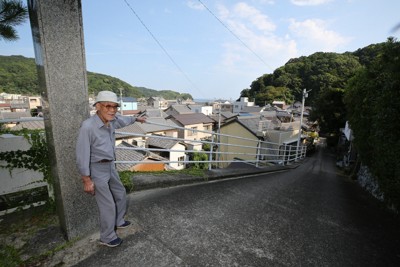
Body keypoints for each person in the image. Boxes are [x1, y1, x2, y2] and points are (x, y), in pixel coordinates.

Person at [76, 90, 146, 247]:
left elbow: (125, 120)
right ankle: (107, 236)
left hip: (110, 165)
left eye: (115, 106)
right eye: (108, 106)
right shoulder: (88, 127)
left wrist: (137, 119)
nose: (112, 110)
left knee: (120, 192)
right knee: (107, 203)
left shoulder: (113, 120)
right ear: (98, 107)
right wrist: (86, 179)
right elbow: (81, 154)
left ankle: (119, 221)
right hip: (96, 168)